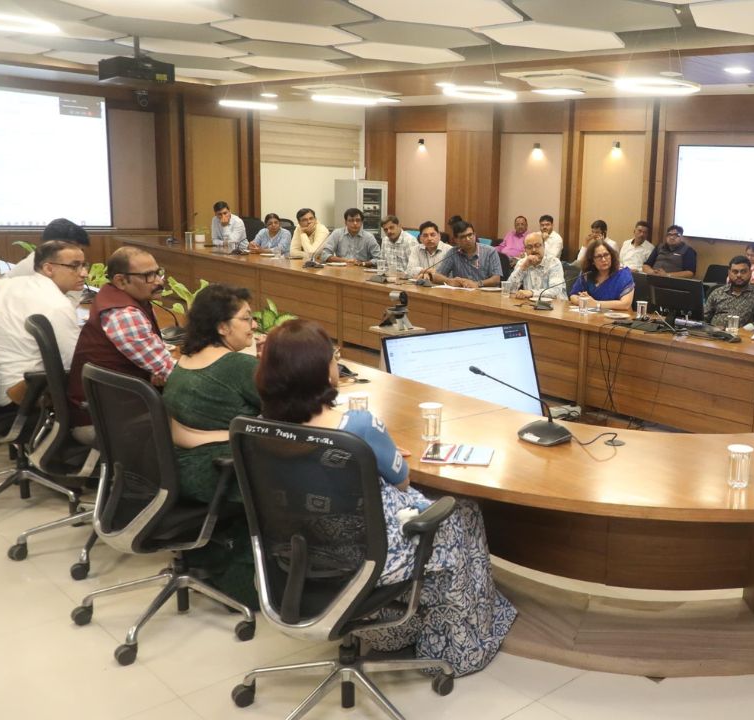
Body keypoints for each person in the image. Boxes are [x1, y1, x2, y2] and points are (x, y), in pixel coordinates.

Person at [255, 319, 516, 672]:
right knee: (462, 514)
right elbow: (403, 481)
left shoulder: (256, 428)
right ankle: (456, 650)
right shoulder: (358, 426)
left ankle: (392, 634)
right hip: (368, 557)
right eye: (333, 356)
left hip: (297, 552)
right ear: (324, 372)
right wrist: (381, 451)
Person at [161, 283, 261, 606]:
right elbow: (289, 412)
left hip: (181, 470)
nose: (253, 325)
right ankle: (247, 585)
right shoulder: (237, 366)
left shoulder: (185, 359)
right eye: (246, 318)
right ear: (222, 327)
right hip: (220, 477)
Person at [67, 247, 173, 443]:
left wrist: (156, 370)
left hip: (114, 408)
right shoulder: (124, 314)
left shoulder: (118, 297)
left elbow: (158, 365)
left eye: (158, 272)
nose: (159, 281)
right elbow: (172, 373)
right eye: (148, 276)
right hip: (105, 422)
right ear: (121, 281)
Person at [0, 240, 85, 407]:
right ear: (49, 269)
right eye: (74, 266)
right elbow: (74, 366)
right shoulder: (58, 305)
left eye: (84, 265)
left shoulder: (14, 283)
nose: (84, 273)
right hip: (23, 395)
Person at [0, 217, 89, 289]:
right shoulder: (33, 264)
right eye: (73, 248)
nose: (79, 253)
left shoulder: (71, 266)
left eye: (81, 249)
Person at [422, 220, 501, 288]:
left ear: (474, 234)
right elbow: (437, 276)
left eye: (470, 235)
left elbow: (496, 279)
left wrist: (477, 284)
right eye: (463, 237)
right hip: (461, 294)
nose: (468, 239)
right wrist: (449, 281)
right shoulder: (453, 252)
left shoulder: (490, 251)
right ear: (456, 240)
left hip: (485, 294)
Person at [703, 255, 754, 331]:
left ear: (750, 273)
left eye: (743, 272)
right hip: (713, 334)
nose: (739, 275)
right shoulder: (718, 292)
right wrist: (711, 328)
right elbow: (704, 317)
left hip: (743, 336)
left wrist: (742, 330)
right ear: (729, 273)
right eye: (735, 272)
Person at [568, 238, 634, 311]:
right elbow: (573, 295)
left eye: (606, 255)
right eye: (599, 256)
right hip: (593, 316)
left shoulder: (623, 275)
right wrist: (584, 300)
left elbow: (625, 304)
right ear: (592, 261)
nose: (604, 259)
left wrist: (596, 304)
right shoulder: (587, 274)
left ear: (611, 256)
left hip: (618, 316)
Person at [505, 231, 565, 301]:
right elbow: (508, 289)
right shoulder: (522, 263)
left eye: (537, 245)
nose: (534, 250)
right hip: (530, 304)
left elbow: (555, 291)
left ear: (544, 246)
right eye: (529, 247)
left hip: (556, 304)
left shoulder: (554, 262)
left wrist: (531, 292)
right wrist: (523, 267)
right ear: (525, 250)